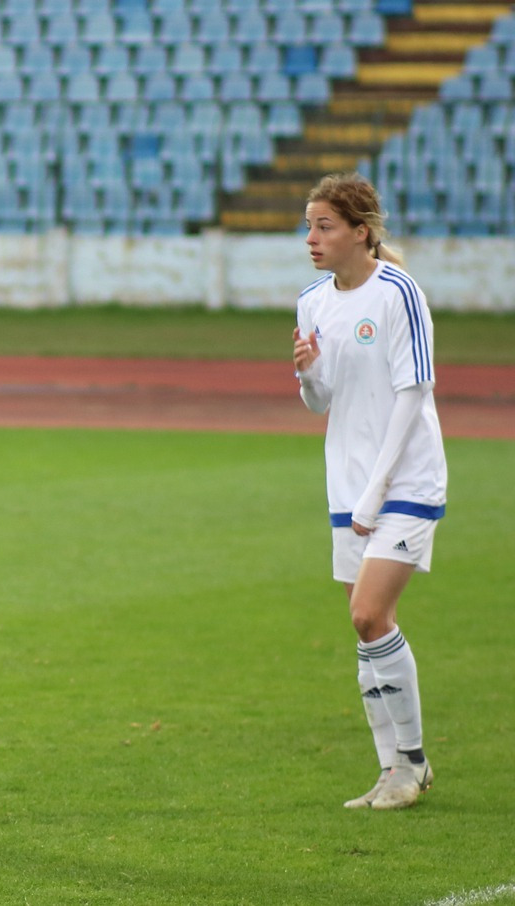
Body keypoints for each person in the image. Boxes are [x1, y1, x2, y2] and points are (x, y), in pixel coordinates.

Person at [292, 172, 447, 811]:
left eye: (324, 226)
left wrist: (376, 490)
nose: (311, 238)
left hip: (405, 479)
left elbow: (413, 394)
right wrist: (308, 375)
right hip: (347, 482)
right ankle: (390, 771)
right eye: (308, 226)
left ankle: (412, 763)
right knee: (368, 631)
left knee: (367, 615)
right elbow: (320, 401)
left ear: (362, 232)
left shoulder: (398, 293)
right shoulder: (312, 301)